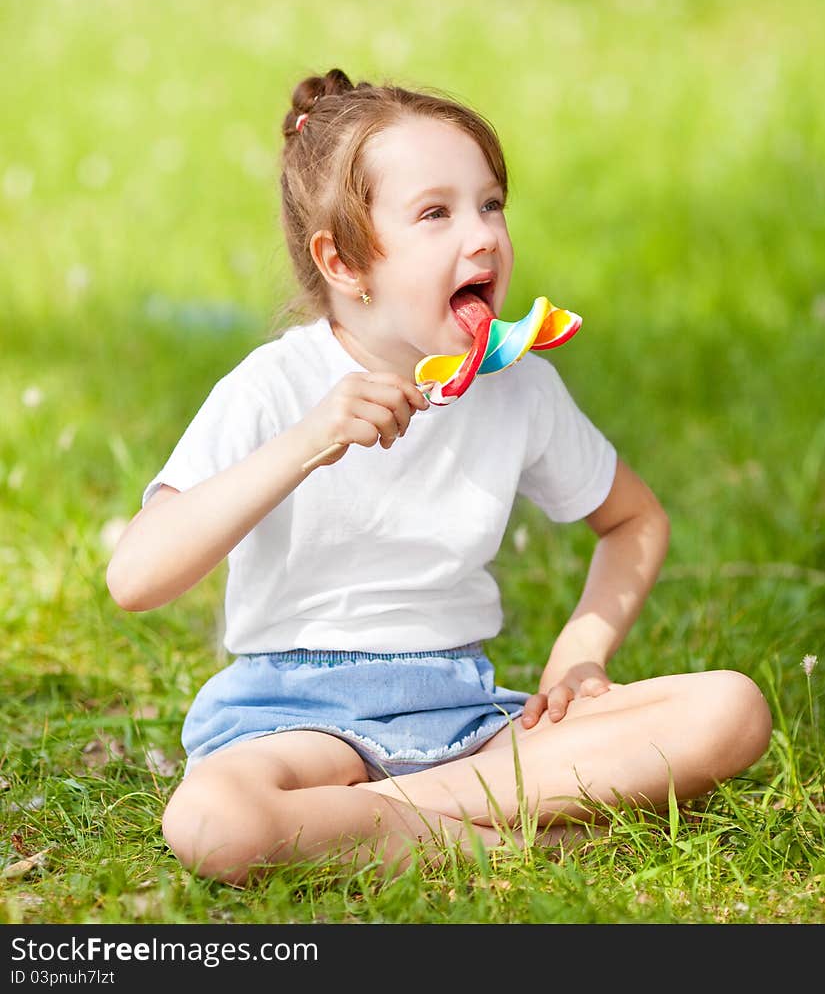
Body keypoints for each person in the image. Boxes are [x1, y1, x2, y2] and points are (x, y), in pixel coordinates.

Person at [106, 68, 772, 887]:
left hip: (465, 714)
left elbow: (635, 520)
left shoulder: (516, 386)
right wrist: (307, 441)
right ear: (344, 261)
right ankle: (512, 830)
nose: (484, 234)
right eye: (437, 213)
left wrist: (580, 653)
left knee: (731, 709)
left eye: (491, 203)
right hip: (298, 720)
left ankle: (413, 817)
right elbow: (136, 575)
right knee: (213, 819)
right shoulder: (272, 388)